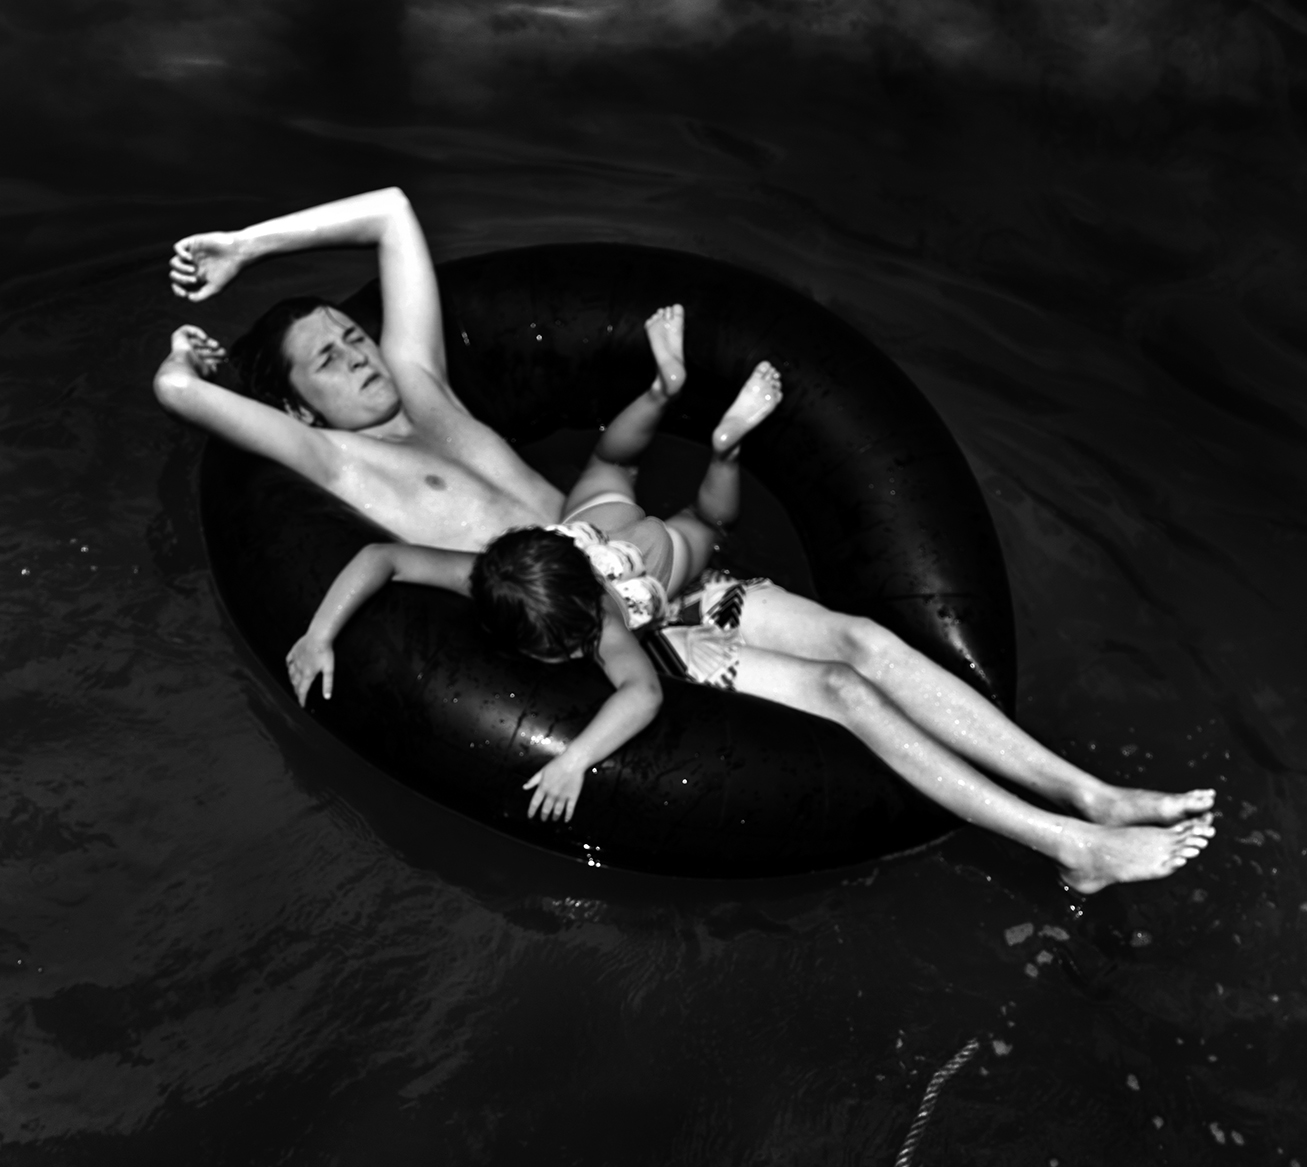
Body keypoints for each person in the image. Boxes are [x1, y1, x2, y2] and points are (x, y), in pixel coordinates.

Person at [156, 187, 1216, 892]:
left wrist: (252, 245)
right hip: (621, 632)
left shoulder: (424, 382)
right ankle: (1067, 846)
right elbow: (176, 392)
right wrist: (190, 352)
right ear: (299, 414)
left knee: (867, 643)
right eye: (330, 364)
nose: (357, 354)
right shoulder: (341, 467)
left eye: (349, 336)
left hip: (662, 580)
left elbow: (389, 214)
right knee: (845, 698)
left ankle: (1085, 790)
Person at [281, 305, 783, 821]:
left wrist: (575, 760)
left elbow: (643, 695)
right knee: (611, 462)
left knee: (705, 523)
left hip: (652, 563)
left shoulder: (597, 622)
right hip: (593, 526)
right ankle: (662, 390)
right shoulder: (483, 571)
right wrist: (318, 636)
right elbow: (379, 557)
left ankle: (726, 449)